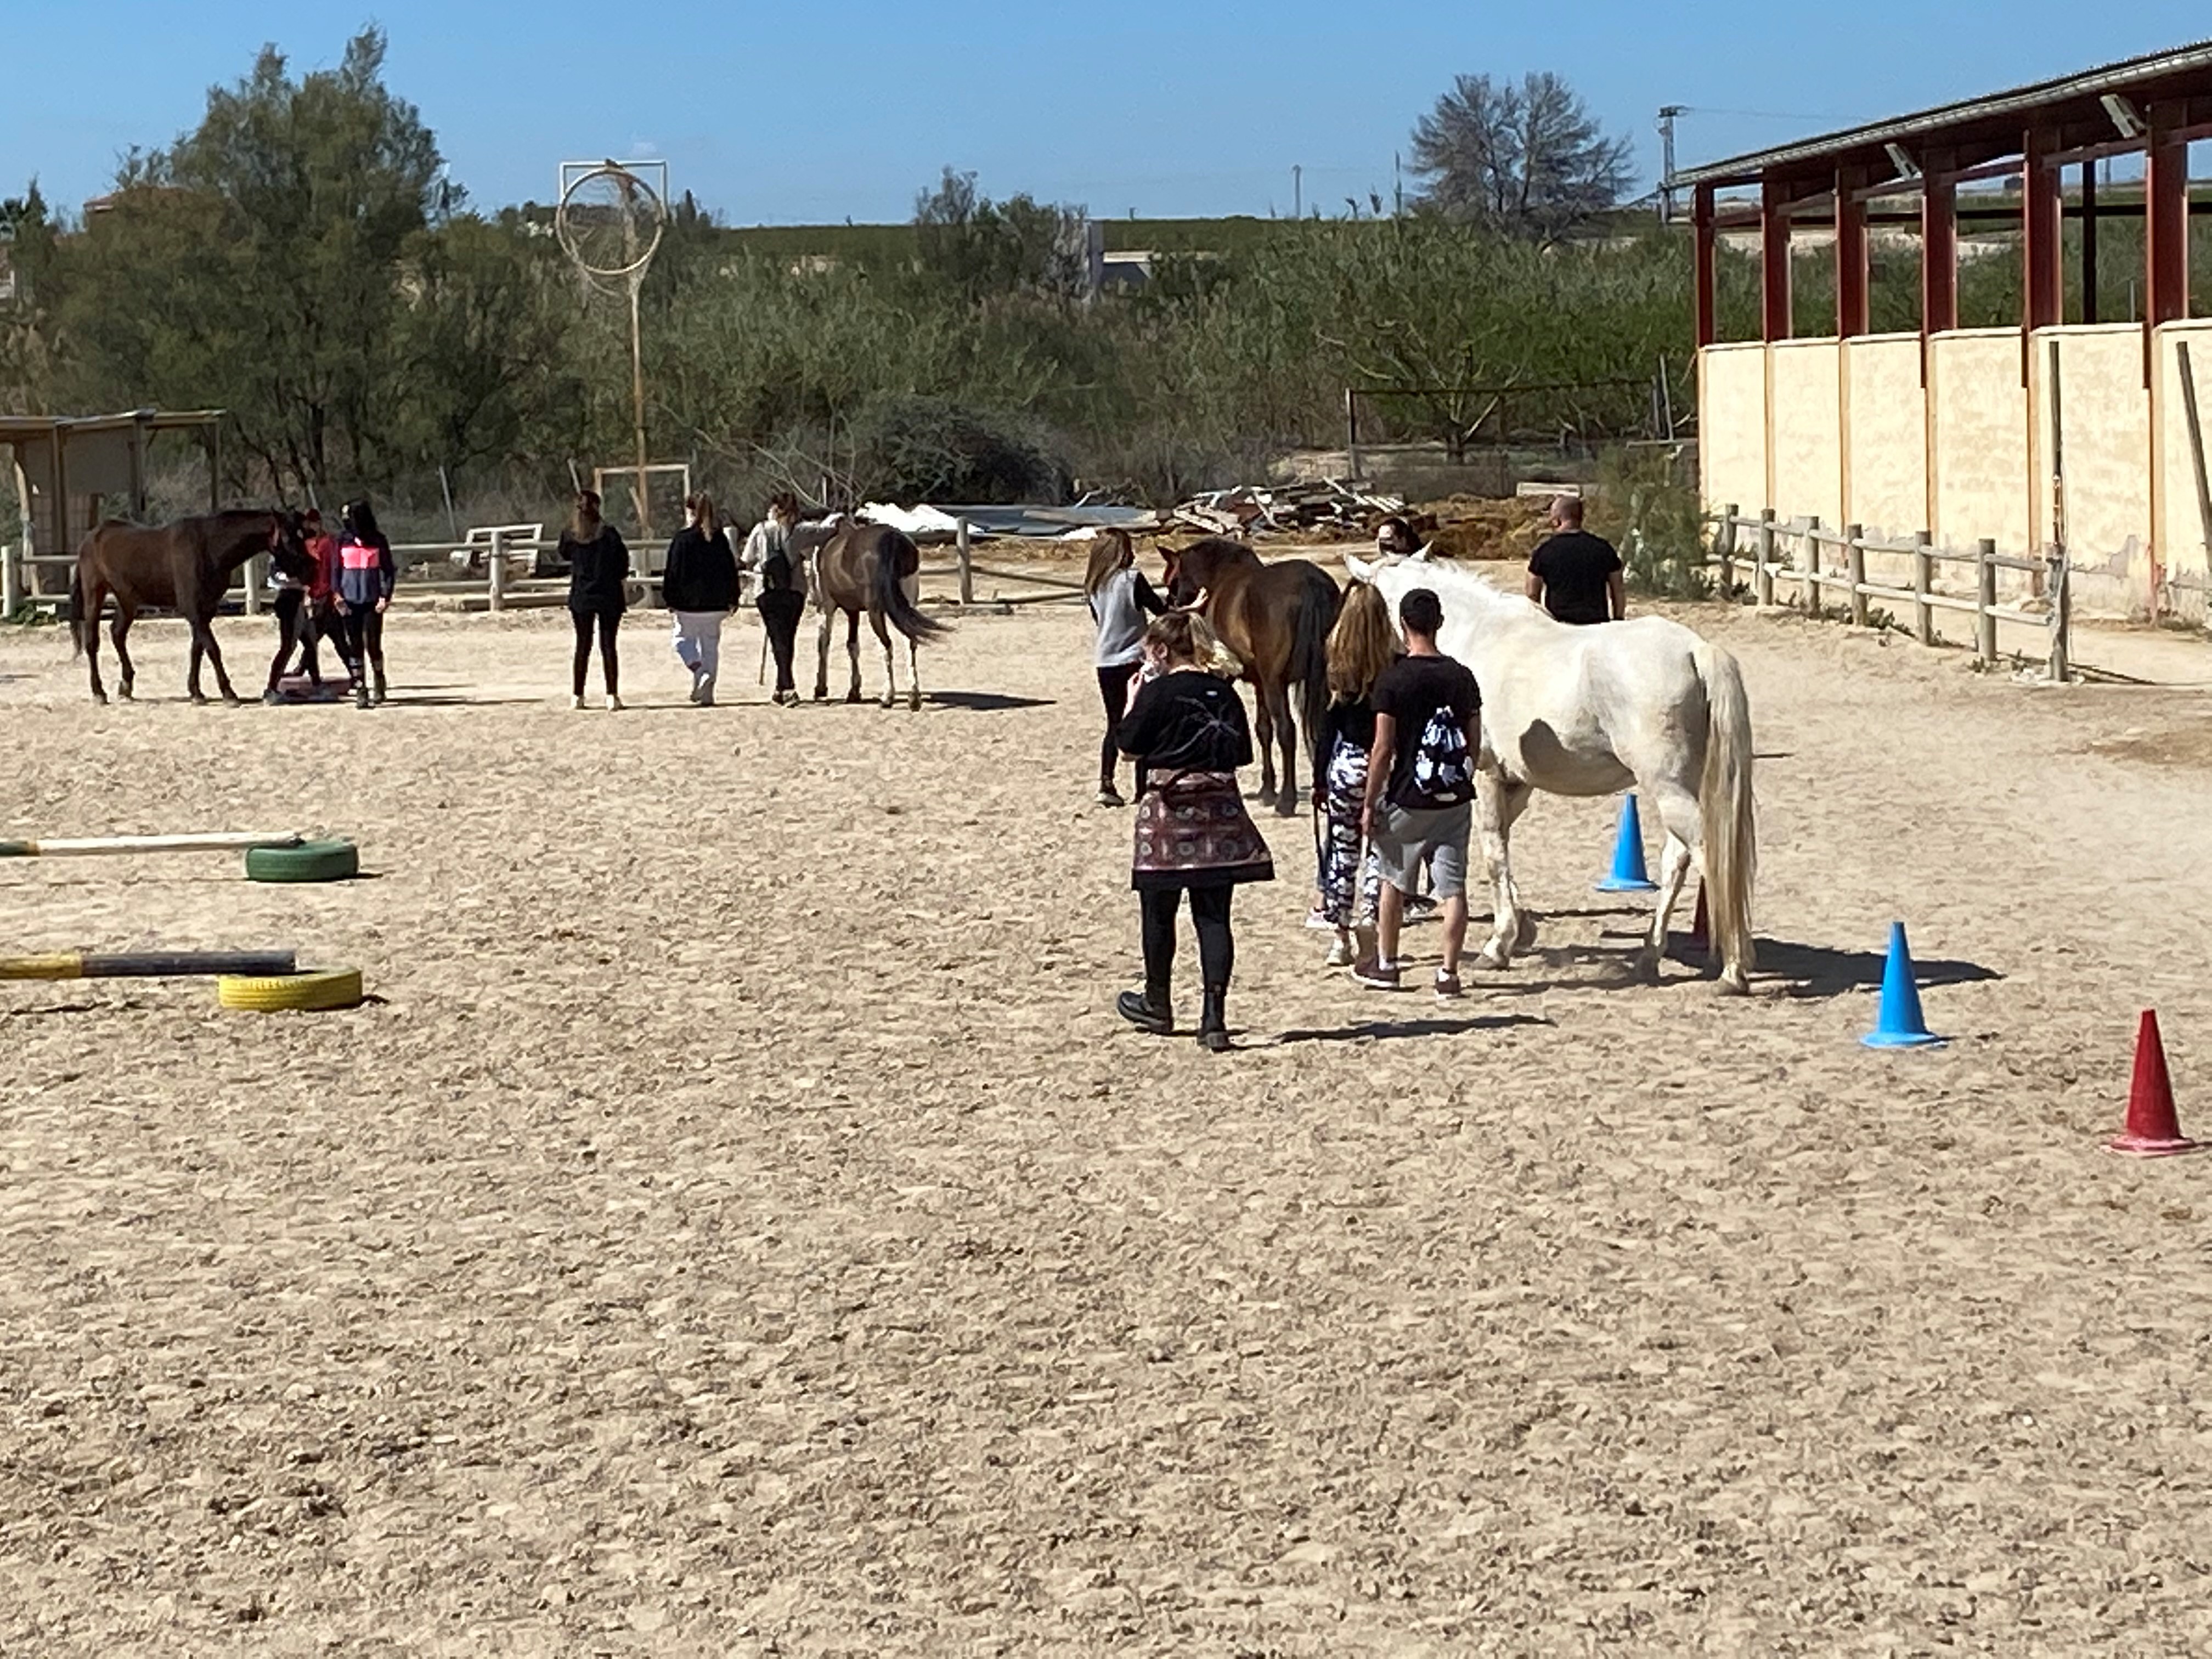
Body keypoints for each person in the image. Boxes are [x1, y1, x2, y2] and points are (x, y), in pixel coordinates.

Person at [1115, 611, 1273, 1053]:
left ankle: (1158, 1001)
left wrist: (1133, 700)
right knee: (1214, 917)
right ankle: (1214, 1018)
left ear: (1162, 651)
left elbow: (1128, 747)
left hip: (1168, 808)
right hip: (1219, 808)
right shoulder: (1223, 693)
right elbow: (1241, 752)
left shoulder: (1157, 691)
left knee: (1159, 911)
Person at [1355, 587, 1481, 1002]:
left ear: (1403, 625)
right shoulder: (1462, 676)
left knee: (1394, 880)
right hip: (1453, 797)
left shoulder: (1393, 680)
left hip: (1408, 796)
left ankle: (1389, 964)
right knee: (1453, 888)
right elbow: (1474, 742)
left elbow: (1383, 749)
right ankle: (1448, 973)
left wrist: (1370, 801)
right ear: (1439, 623)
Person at [1310, 582, 1399, 969]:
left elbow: (1326, 727)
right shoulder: (1395, 665)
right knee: (1380, 851)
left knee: (1341, 852)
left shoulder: (1337, 664)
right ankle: (1370, 920)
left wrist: (1318, 779)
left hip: (1346, 763)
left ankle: (1340, 936)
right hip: (1386, 765)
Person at [1084, 528, 1166, 806]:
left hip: (1105, 661)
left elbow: (1101, 622)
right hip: (1134, 660)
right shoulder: (1132, 579)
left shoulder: (1094, 586)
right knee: (1142, 721)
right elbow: (1160, 611)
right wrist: (1191, 607)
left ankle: (1106, 782)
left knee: (1114, 723)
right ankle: (1141, 789)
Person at [661, 492, 738, 706]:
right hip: (716, 604)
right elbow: (730, 570)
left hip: (688, 605)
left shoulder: (682, 539)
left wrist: (669, 597)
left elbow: (673, 572)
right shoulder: (720, 539)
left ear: (690, 512)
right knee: (710, 646)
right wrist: (733, 597)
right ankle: (707, 691)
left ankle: (699, 670)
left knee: (681, 641)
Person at [561, 488, 630, 710]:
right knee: (609, 645)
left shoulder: (571, 536)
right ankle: (612, 694)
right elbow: (623, 565)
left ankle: (577, 695)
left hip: (582, 595)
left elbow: (563, 554)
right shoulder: (610, 534)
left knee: (583, 645)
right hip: (608, 595)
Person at [743, 491, 808, 707]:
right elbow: (812, 547)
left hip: (767, 591)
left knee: (778, 639)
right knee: (787, 639)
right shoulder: (798, 532)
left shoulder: (760, 530)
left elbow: (747, 558)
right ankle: (785, 686)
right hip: (794, 590)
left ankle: (785, 687)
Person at [263, 506, 332, 702]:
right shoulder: (281, 551)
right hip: (289, 601)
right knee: (288, 646)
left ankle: (317, 684)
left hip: (301, 600)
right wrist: (299, 581)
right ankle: (271, 689)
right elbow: (275, 578)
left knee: (310, 643)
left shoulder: (299, 547)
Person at [332, 498, 396, 709]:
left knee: (373, 645)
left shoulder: (378, 540)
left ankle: (379, 678)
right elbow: (336, 571)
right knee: (355, 646)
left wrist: (385, 596)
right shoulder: (342, 541)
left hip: (371, 600)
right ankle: (361, 688)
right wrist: (337, 595)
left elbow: (388, 570)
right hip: (349, 601)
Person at [1525, 493, 1624, 625]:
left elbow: (1532, 596)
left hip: (1560, 629)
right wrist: (1618, 621)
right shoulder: (1603, 549)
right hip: (1597, 628)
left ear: (1557, 520)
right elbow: (1618, 590)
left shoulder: (1544, 552)